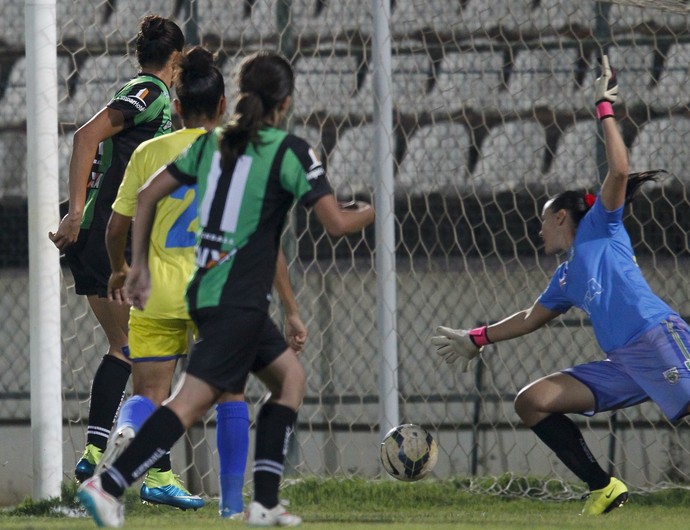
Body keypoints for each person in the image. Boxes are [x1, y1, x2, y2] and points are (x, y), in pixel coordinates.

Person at [76, 50, 375, 528]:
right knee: (194, 401)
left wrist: (135, 267)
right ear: (287, 101)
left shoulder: (213, 147)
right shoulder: (288, 150)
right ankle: (110, 485)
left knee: (289, 380)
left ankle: (263, 504)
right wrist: (372, 209)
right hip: (233, 296)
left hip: (209, 291)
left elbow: (147, 196)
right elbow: (336, 223)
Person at [431, 55, 689, 516]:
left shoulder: (600, 226)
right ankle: (603, 487)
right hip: (622, 364)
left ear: (559, 216)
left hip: (656, 338)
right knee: (532, 402)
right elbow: (531, 318)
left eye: (542, 223)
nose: (539, 232)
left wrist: (603, 108)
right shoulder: (566, 277)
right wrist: (478, 338)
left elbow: (619, 173)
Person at [104, 45, 308, 517]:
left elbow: (117, 226)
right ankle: (232, 504)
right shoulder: (233, 152)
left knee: (150, 394)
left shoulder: (148, 152)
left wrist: (120, 267)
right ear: (223, 106)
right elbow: (264, 238)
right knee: (230, 393)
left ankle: (132, 427)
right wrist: (289, 303)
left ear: (175, 106)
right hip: (216, 290)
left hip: (154, 288)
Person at [48, 15, 186, 503]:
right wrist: (76, 213)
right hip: (108, 235)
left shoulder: (140, 90)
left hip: (94, 238)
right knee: (151, 355)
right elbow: (86, 137)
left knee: (125, 347)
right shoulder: (150, 91)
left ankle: (93, 452)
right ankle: (157, 477)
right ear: (175, 61)